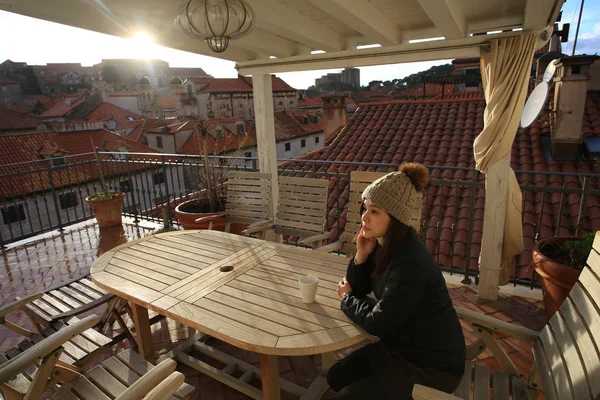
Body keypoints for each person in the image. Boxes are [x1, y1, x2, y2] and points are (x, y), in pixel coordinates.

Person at [327, 163, 466, 399]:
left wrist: (347, 299)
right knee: (336, 376)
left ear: (396, 218)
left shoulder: (410, 262)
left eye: (375, 211)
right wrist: (361, 256)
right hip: (401, 346)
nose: (364, 216)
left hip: (431, 365)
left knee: (346, 397)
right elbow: (360, 287)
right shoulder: (386, 245)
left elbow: (378, 323)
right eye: (365, 208)